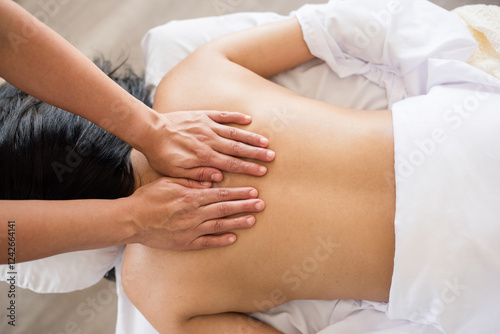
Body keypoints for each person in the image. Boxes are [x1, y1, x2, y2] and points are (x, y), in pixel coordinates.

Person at [120, 1, 500, 334]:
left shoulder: (153, 288)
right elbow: (330, 28)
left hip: (461, 269)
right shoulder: (187, 83)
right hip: (467, 134)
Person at [0, 0, 275, 264]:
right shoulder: (194, 75)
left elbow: (6, 33)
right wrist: (135, 219)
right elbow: (314, 27)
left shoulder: (153, 288)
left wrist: (153, 133)